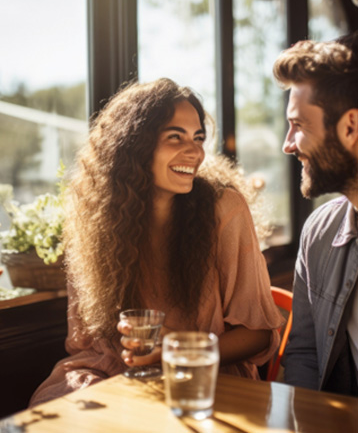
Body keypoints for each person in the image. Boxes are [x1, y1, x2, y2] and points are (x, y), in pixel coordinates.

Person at [29, 78, 283, 407]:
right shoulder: (95, 222)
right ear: (134, 145)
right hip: (116, 374)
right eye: (175, 137)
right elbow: (87, 345)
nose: (194, 152)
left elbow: (259, 335)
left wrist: (178, 352)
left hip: (202, 376)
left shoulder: (225, 209)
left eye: (198, 138)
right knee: (53, 410)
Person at [272, 31, 358, 395]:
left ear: (351, 127)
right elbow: (305, 353)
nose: (287, 144)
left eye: (300, 125)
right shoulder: (318, 233)